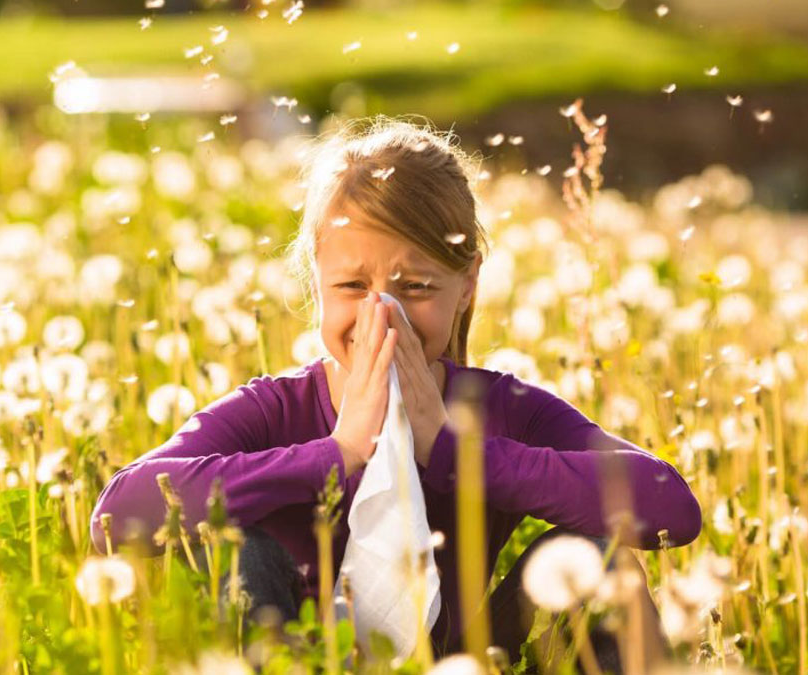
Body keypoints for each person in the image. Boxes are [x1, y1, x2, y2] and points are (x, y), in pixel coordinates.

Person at [90, 117, 701, 671]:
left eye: (415, 287)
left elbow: (672, 507)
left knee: (601, 559)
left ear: (467, 285)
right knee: (236, 550)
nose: (382, 314)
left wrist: (455, 452)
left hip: (462, 663)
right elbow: (117, 516)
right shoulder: (275, 409)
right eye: (353, 286)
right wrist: (337, 454)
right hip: (295, 658)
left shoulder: (499, 409)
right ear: (316, 281)